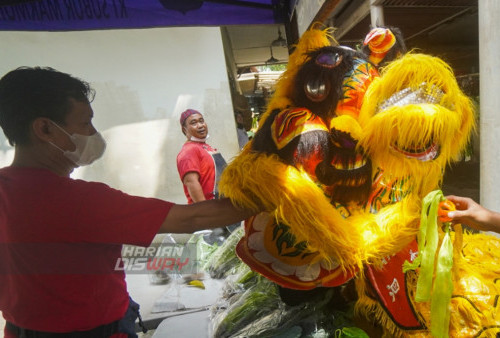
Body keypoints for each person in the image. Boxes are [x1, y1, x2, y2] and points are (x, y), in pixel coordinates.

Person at [0, 67, 254, 338]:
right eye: (85, 123)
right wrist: (272, 198)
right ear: (45, 128)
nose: (94, 133)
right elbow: (191, 218)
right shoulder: (80, 201)